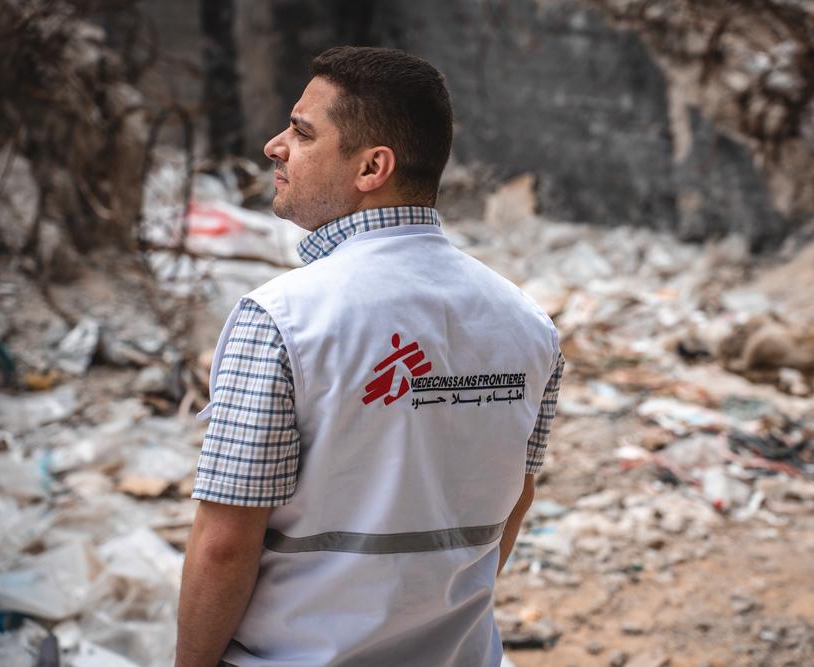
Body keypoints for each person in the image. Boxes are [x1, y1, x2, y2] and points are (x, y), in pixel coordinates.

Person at [175, 46, 564, 667]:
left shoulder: (280, 319)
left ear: (371, 167)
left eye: (302, 132)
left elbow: (224, 545)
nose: (275, 146)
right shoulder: (528, 323)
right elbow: (514, 502)